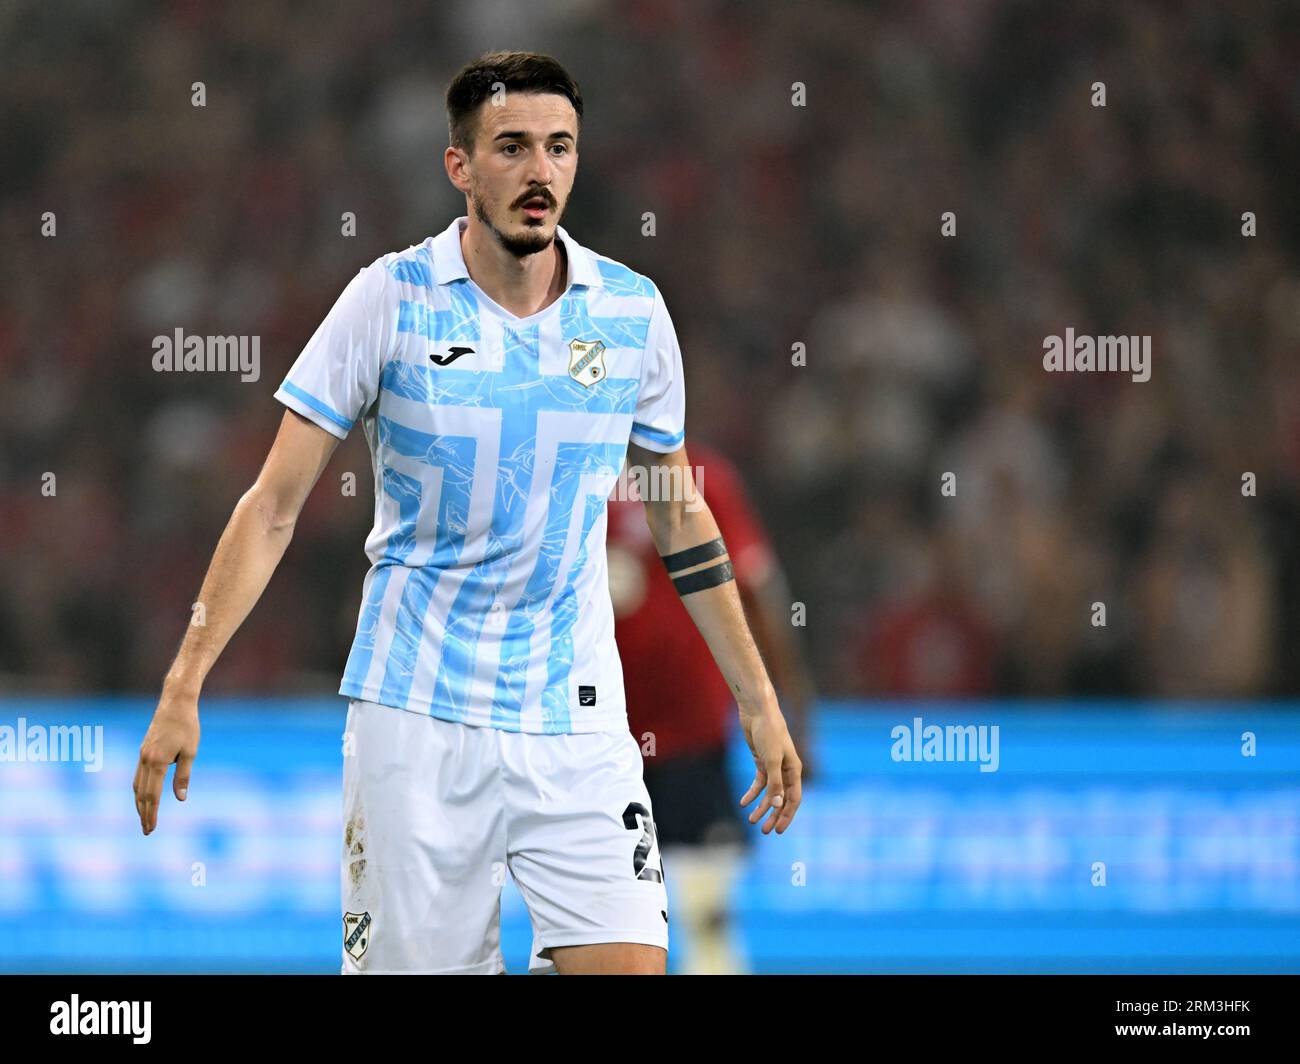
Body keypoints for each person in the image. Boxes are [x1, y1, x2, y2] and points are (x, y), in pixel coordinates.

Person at [131, 50, 802, 975]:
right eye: (513, 147)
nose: (540, 172)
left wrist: (759, 704)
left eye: (560, 148)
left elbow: (680, 517)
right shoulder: (388, 300)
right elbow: (273, 507)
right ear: (459, 166)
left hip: (577, 719)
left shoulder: (632, 315)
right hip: (418, 717)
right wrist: (184, 682)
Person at [608, 441, 816, 973]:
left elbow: (756, 590)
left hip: (690, 743)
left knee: (708, 921)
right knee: (599, 927)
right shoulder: (577, 473)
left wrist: (790, 710)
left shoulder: (704, 481)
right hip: (596, 745)